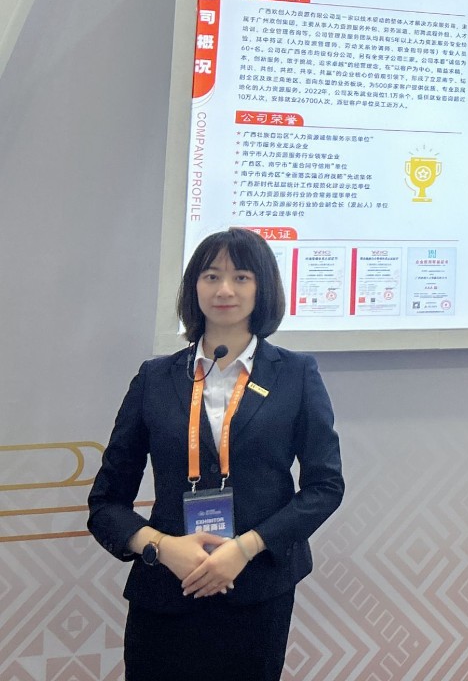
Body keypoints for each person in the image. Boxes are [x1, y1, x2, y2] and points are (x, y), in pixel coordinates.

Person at [88, 227, 344, 681]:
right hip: (166, 590)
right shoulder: (154, 378)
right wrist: (161, 548)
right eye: (211, 276)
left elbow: (325, 487)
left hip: (256, 591)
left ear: (262, 288)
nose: (225, 289)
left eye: (241, 277)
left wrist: (246, 547)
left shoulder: (296, 374)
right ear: (194, 288)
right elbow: (106, 503)